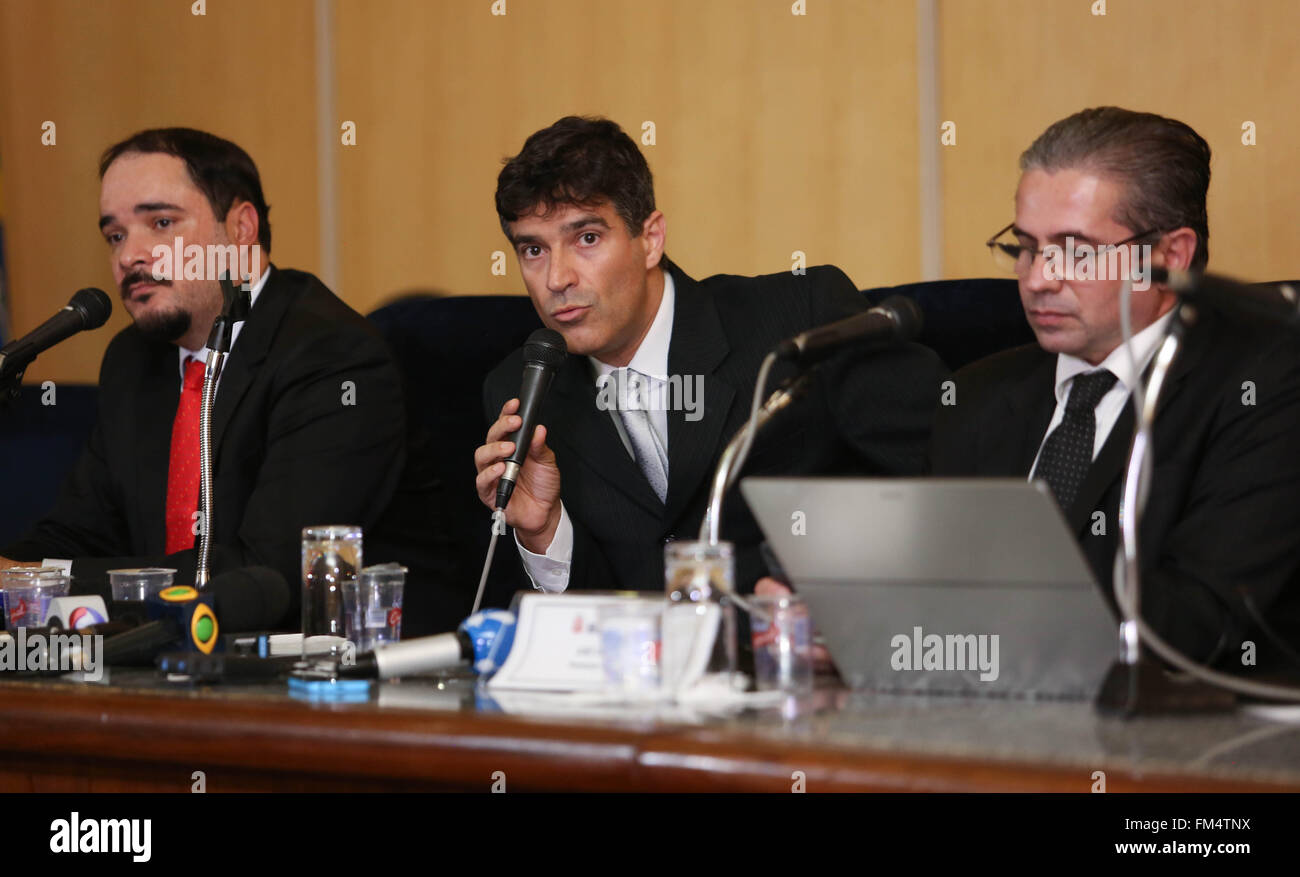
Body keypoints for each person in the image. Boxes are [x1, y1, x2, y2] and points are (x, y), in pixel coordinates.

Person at [2, 128, 462, 635]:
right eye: (115, 235)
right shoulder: (134, 360)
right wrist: (17, 572)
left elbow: (261, 574)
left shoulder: (331, 356)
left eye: (160, 223)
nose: (130, 255)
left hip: (343, 669)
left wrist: (34, 580)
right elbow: (80, 530)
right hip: (182, 655)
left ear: (241, 228)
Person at [474, 116, 947, 599]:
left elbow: (944, 477)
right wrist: (544, 531)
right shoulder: (523, 391)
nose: (556, 278)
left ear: (651, 239)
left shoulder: (800, 318)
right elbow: (596, 616)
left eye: (587, 238)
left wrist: (822, 588)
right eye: (533, 249)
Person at [932, 107, 1300, 672]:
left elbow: (1201, 617)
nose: (1036, 278)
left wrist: (974, 628)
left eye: (1075, 249)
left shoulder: (1264, 387)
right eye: (1025, 247)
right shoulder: (977, 395)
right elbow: (931, 578)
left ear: (1169, 256)